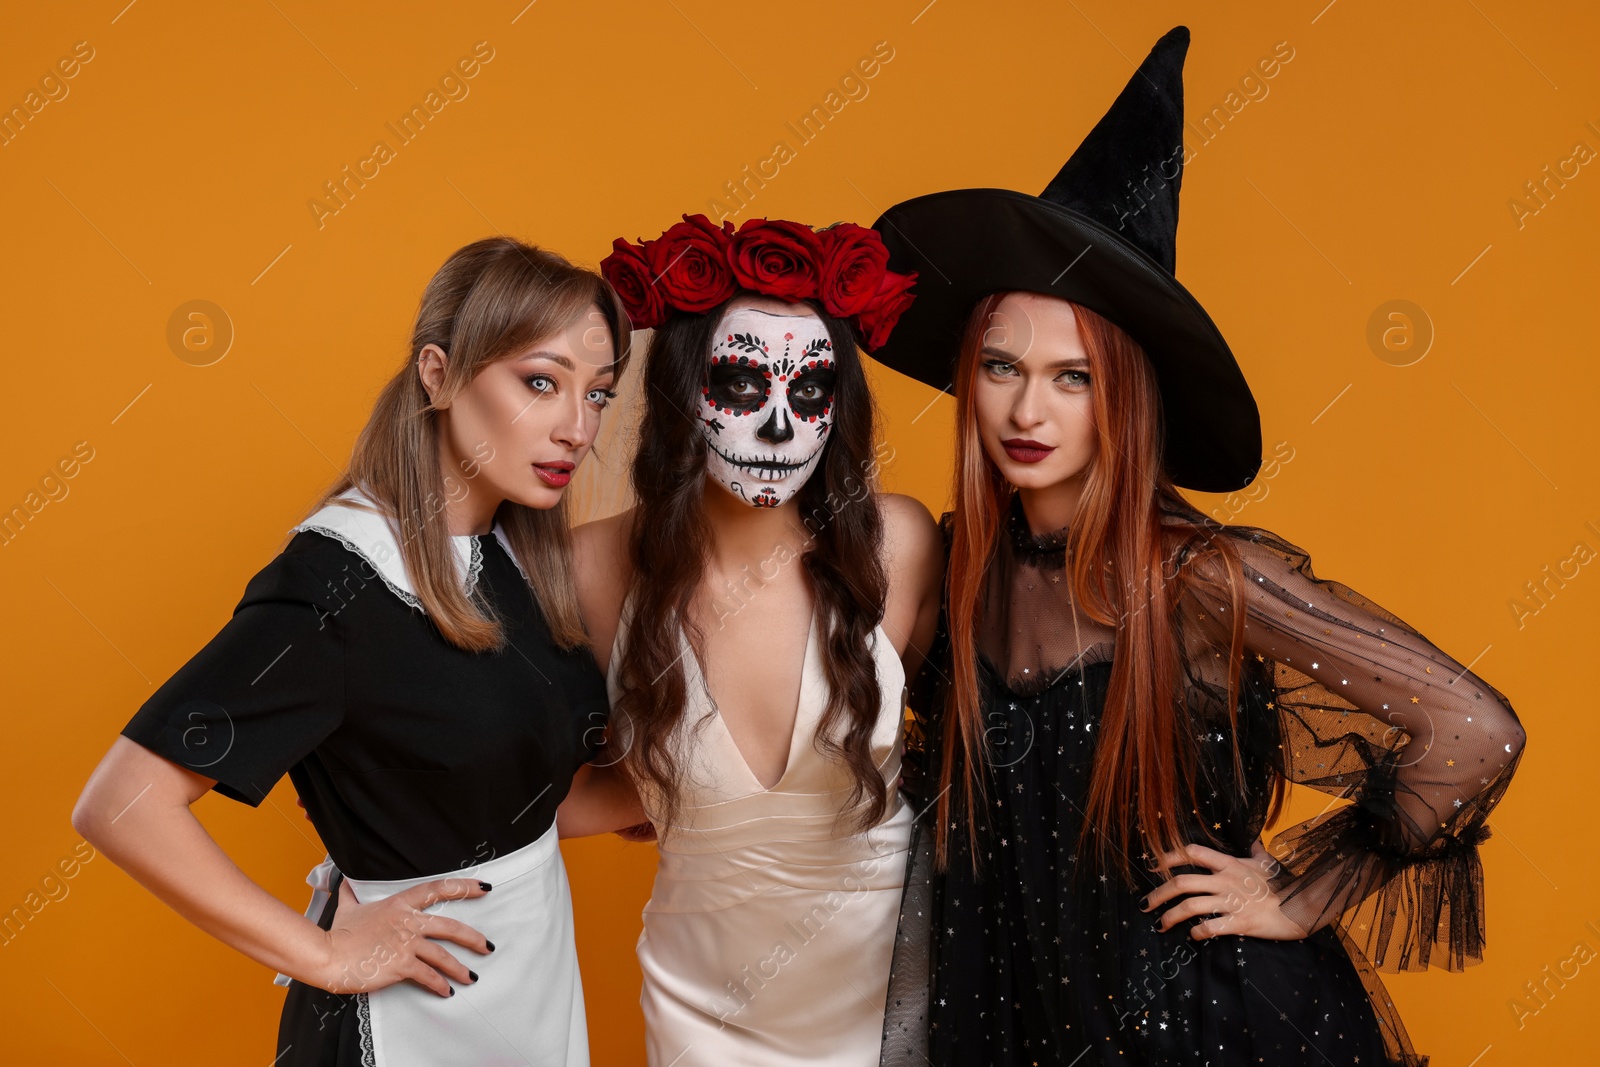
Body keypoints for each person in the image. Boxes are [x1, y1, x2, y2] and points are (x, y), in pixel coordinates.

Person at [868, 27, 1527, 1067]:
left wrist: (1304, 893)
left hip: (1208, 1023)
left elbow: (1472, 728)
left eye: (1070, 376)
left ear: (1123, 397)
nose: (1025, 407)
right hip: (1019, 1015)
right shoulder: (953, 573)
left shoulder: (1196, 577)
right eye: (999, 366)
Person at [71, 237, 631, 1066]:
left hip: (530, 993)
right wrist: (329, 956)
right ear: (437, 374)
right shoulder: (336, 584)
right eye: (540, 382)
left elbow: (503, 807)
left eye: (599, 394)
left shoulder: (514, 552)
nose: (577, 428)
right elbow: (120, 802)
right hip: (411, 1027)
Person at [565, 213, 944, 1065]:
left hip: (893, 1003)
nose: (777, 427)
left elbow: (981, 734)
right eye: (738, 387)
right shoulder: (590, 567)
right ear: (675, 392)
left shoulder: (901, 544)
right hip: (702, 1014)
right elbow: (519, 775)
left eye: (809, 393)